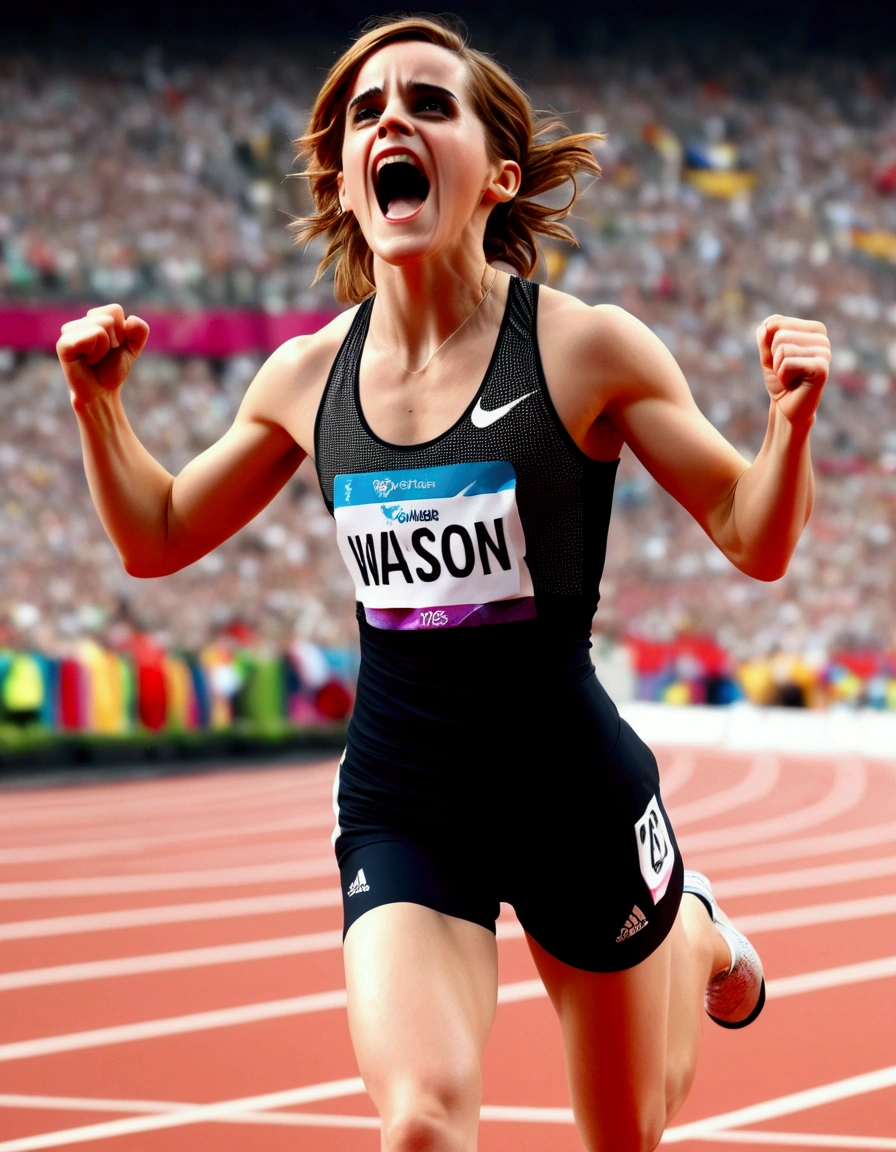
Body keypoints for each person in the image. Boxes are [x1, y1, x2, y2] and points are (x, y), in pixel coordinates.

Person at [56, 15, 831, 1151]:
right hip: (405, 799)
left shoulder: (583, 349)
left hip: (572, 798)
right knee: (419, 1123)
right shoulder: (305, 377)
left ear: (495, 175)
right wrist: (97, 406)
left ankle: (696, 929)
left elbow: (751, 536)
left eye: (427, 103)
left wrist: (788, 426)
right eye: (367, 111)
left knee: (624, 1133)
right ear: (347, 177)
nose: (391, 123)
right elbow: (159, 534)